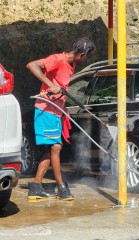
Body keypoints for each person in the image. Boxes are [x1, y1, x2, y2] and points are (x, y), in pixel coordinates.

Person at [26, 37, 96, 200]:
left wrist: (64, 109)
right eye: (89, 56)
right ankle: (62, 188)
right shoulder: (57, 59)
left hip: (56, 111)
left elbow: (62, 88)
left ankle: (36, 187)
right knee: (56, 148)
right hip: (46, 111)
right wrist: (50, 84)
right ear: (81, 54)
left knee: (51, 150)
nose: (88, 60)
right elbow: (31, 65)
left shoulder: (73, 64)